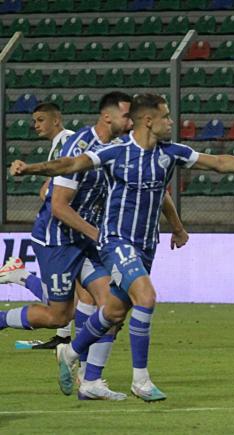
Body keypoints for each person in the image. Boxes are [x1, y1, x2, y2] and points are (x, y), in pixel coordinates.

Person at [10, 93, 234, 402]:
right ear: (148, 120)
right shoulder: (115, 152)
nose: (172, 122)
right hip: (115, 241)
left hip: (146, 246)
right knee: (146, 296)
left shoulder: (171, 153)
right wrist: (31, 168)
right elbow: (71, 163)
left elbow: (220, 163)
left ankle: (74, 357)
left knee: (114, 311)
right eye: (166, 117)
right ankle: (140, 380)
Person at [1, 92, 144, 401]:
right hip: (57, 241)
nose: (131, 122)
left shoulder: (120, 148)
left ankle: (92, 380)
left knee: (114, 308)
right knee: (58, 317)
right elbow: (58, 207)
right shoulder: (80, 144)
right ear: (107, 117)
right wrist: (99, 234)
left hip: (86, 239)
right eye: (126, 116)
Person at [0, 102, 77, 350]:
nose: (35, 126)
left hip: (61, 231)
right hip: (55, 234)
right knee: (67, 305)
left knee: (75, 301)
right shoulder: (60, 144)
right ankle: (21, 277)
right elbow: (50, 188)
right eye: (34, 121)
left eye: (40, 120)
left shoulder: (67, 141)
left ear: (56, 120)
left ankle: (65, 339)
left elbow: (54, 185)